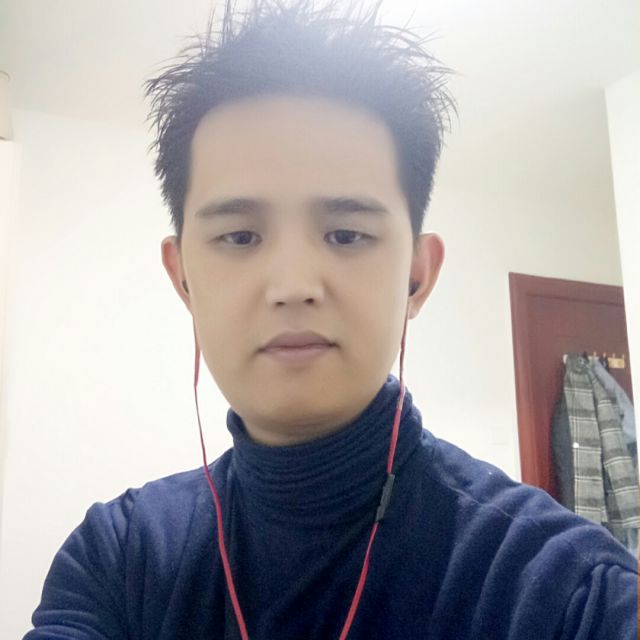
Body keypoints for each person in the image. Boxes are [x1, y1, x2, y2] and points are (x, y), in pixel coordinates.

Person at [24, 1, 638, 638]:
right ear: (183, 278)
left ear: (417, 275)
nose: (293, 286)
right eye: (239, 236)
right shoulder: (118, 558)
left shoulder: (572, 594)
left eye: (346, 234)